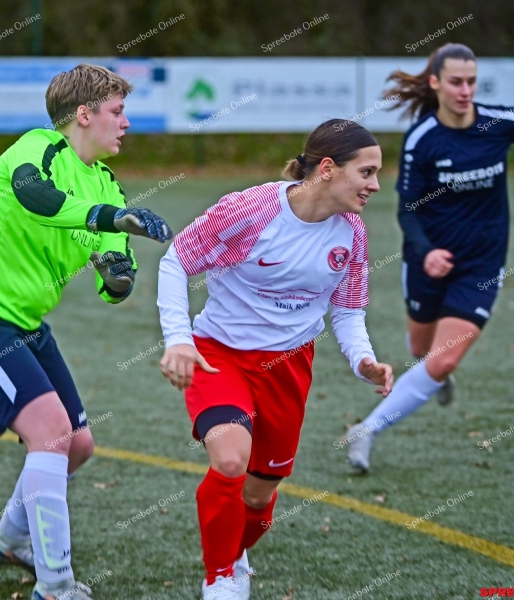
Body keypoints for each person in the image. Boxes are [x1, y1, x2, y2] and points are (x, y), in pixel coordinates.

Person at [0, 64, 172, 600]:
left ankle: (9, 540)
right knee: (53, 435)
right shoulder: (37, 149)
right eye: (116, 112)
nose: (125, 123)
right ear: (83, 115)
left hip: (25, 323)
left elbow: (116, 282)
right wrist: (112, 220)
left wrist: (117, 272)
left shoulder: (106, 182)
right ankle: (56, 584)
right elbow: (37, 199)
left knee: (78, 446)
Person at [157, 119, 394, 599]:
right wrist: (179, 338)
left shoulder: (351, 233)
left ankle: (234, 555)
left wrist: (364, 360)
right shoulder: (252, 209)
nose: (374, 185)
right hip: (218, 354)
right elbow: (177, 258)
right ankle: (220, 579)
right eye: (366, 173)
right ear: (328, 169)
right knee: (229, 460)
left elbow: (348, 311)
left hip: (289, 366)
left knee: (260, 495)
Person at [344, 43, 514, 473]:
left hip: (482, 261)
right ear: (436, 83)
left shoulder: (501, 121)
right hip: (426, 259)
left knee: (443, 357)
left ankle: (367, 429)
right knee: (422, 349)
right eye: (456, 81)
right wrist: (427, 250)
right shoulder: (423, 138)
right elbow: (407, 208)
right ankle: (431, 374)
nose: (465, 90)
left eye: (471, 81)